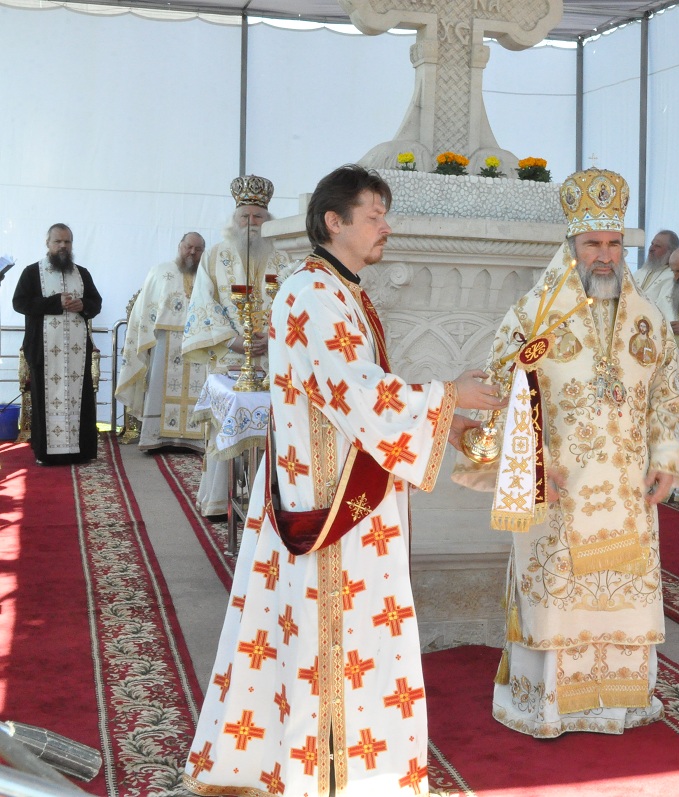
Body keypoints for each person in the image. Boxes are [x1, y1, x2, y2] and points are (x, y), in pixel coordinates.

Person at [181, 164, 504, 797]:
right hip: (331, 507)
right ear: (336, 221)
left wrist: (454, 419)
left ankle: (342, 763)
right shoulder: (312, 291)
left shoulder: (340, 288)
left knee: (339, 638)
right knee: (325, 637)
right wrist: (445, 396)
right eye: (375, 215)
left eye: (386, 214)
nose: (387, 227)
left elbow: (360, 392)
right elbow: (354, 391)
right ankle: (319, 768)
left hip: (348, 494)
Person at [454, 167, 679, 738]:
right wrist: (525, 474)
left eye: (613, 244)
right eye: (592, 244)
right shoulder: (533, 316)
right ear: (571, 246)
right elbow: (500, 396)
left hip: (627, 493)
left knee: (622, 598)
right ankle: (549, 703)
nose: (605, 256)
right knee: (556, 599)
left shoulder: (647, 318)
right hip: (559, 489)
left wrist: (668, 461)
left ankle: (617, 701)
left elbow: (670, 395)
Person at [183, 175, 292, 517]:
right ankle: (219, 501)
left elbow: (294, 303)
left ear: (268, 219)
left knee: (277, 428)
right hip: (228, 357)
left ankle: (269, 501)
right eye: (245, 216)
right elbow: (202, 304)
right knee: (224, 428)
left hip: (274, 359)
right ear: (234, 219)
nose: (251, 223)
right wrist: (237, 342)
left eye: (258, 217)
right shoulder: (214, 255)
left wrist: (274, 337)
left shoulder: (286, 255)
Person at [12, 223, 102, 465]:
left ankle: (80, 452)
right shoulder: (32, 272)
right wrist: (55, 303)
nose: (63, 246)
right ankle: (47, 454)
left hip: (76, 350)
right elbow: (19, 303)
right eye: (58, 242)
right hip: (43, 350)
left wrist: (84, 306)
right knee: (44, 400)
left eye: (67, 242)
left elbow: (96, 302)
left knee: (79, 398)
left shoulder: (82, 273)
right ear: (48, 243)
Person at [115, 232, 208, 452]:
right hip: (163, 343)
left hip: (197, 341)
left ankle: (194, 439)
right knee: (158, 386)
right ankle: (154, 437)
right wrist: (143, 339)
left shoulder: (208, 274)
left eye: (198, 249)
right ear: (179, 246)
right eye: (188, 247)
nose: (192, 252)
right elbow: (144, 309)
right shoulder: (160, 272)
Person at [634, 229, 679, 317]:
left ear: (671, 252)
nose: (651, 248)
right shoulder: (640, 272)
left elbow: (665, 311)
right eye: (652, 244)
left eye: (658, 246)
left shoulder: (673, 277)